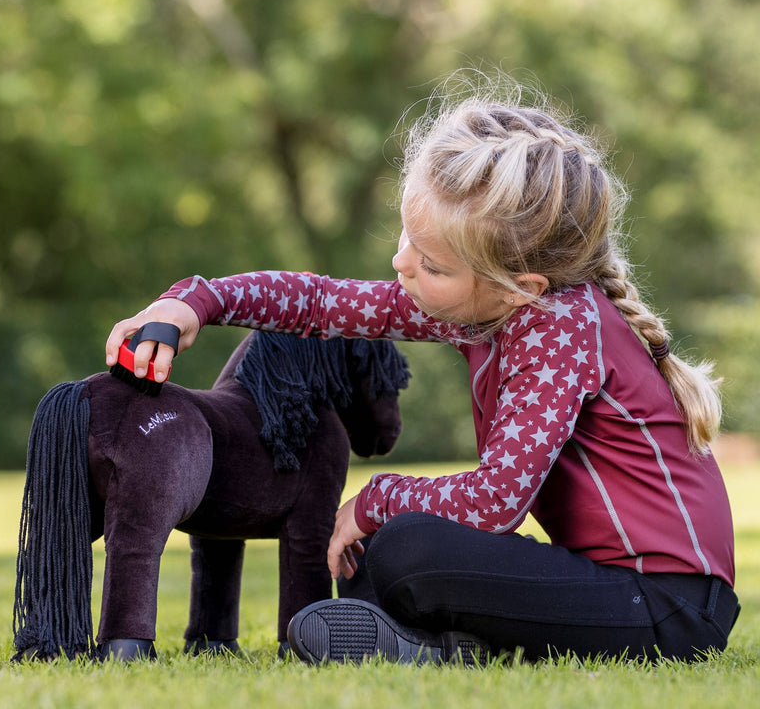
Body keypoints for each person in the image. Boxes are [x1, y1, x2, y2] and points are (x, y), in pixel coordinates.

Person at [105, 78, 739, 665]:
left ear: (522, 286)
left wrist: (376, 499)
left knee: (408, 545)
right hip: (608, 587)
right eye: (407, 238)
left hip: (672, 608)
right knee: (372, 557)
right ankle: (437, 644)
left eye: (431, 265)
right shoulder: (488, 308)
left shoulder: (559, 327)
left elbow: (495, 504)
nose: (401, 263)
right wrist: (195, 301)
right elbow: (324, 303)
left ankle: (433, 640)